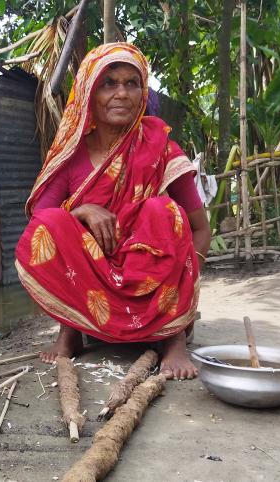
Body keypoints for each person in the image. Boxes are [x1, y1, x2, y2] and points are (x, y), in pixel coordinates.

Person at [15, 43, 210, 380]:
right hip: (94, 290)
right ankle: (71, 330)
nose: (121, 93)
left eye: (132, 83)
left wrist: (184, 289)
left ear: (142, 92)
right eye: (109, 83)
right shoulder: (70, 156)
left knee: (161, 210)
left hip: (154, 285)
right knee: (53, 222)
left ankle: (173, 336)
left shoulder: (160, 147)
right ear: (89, 92)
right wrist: (82, 210)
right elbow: (40, 226)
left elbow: (200, 229)